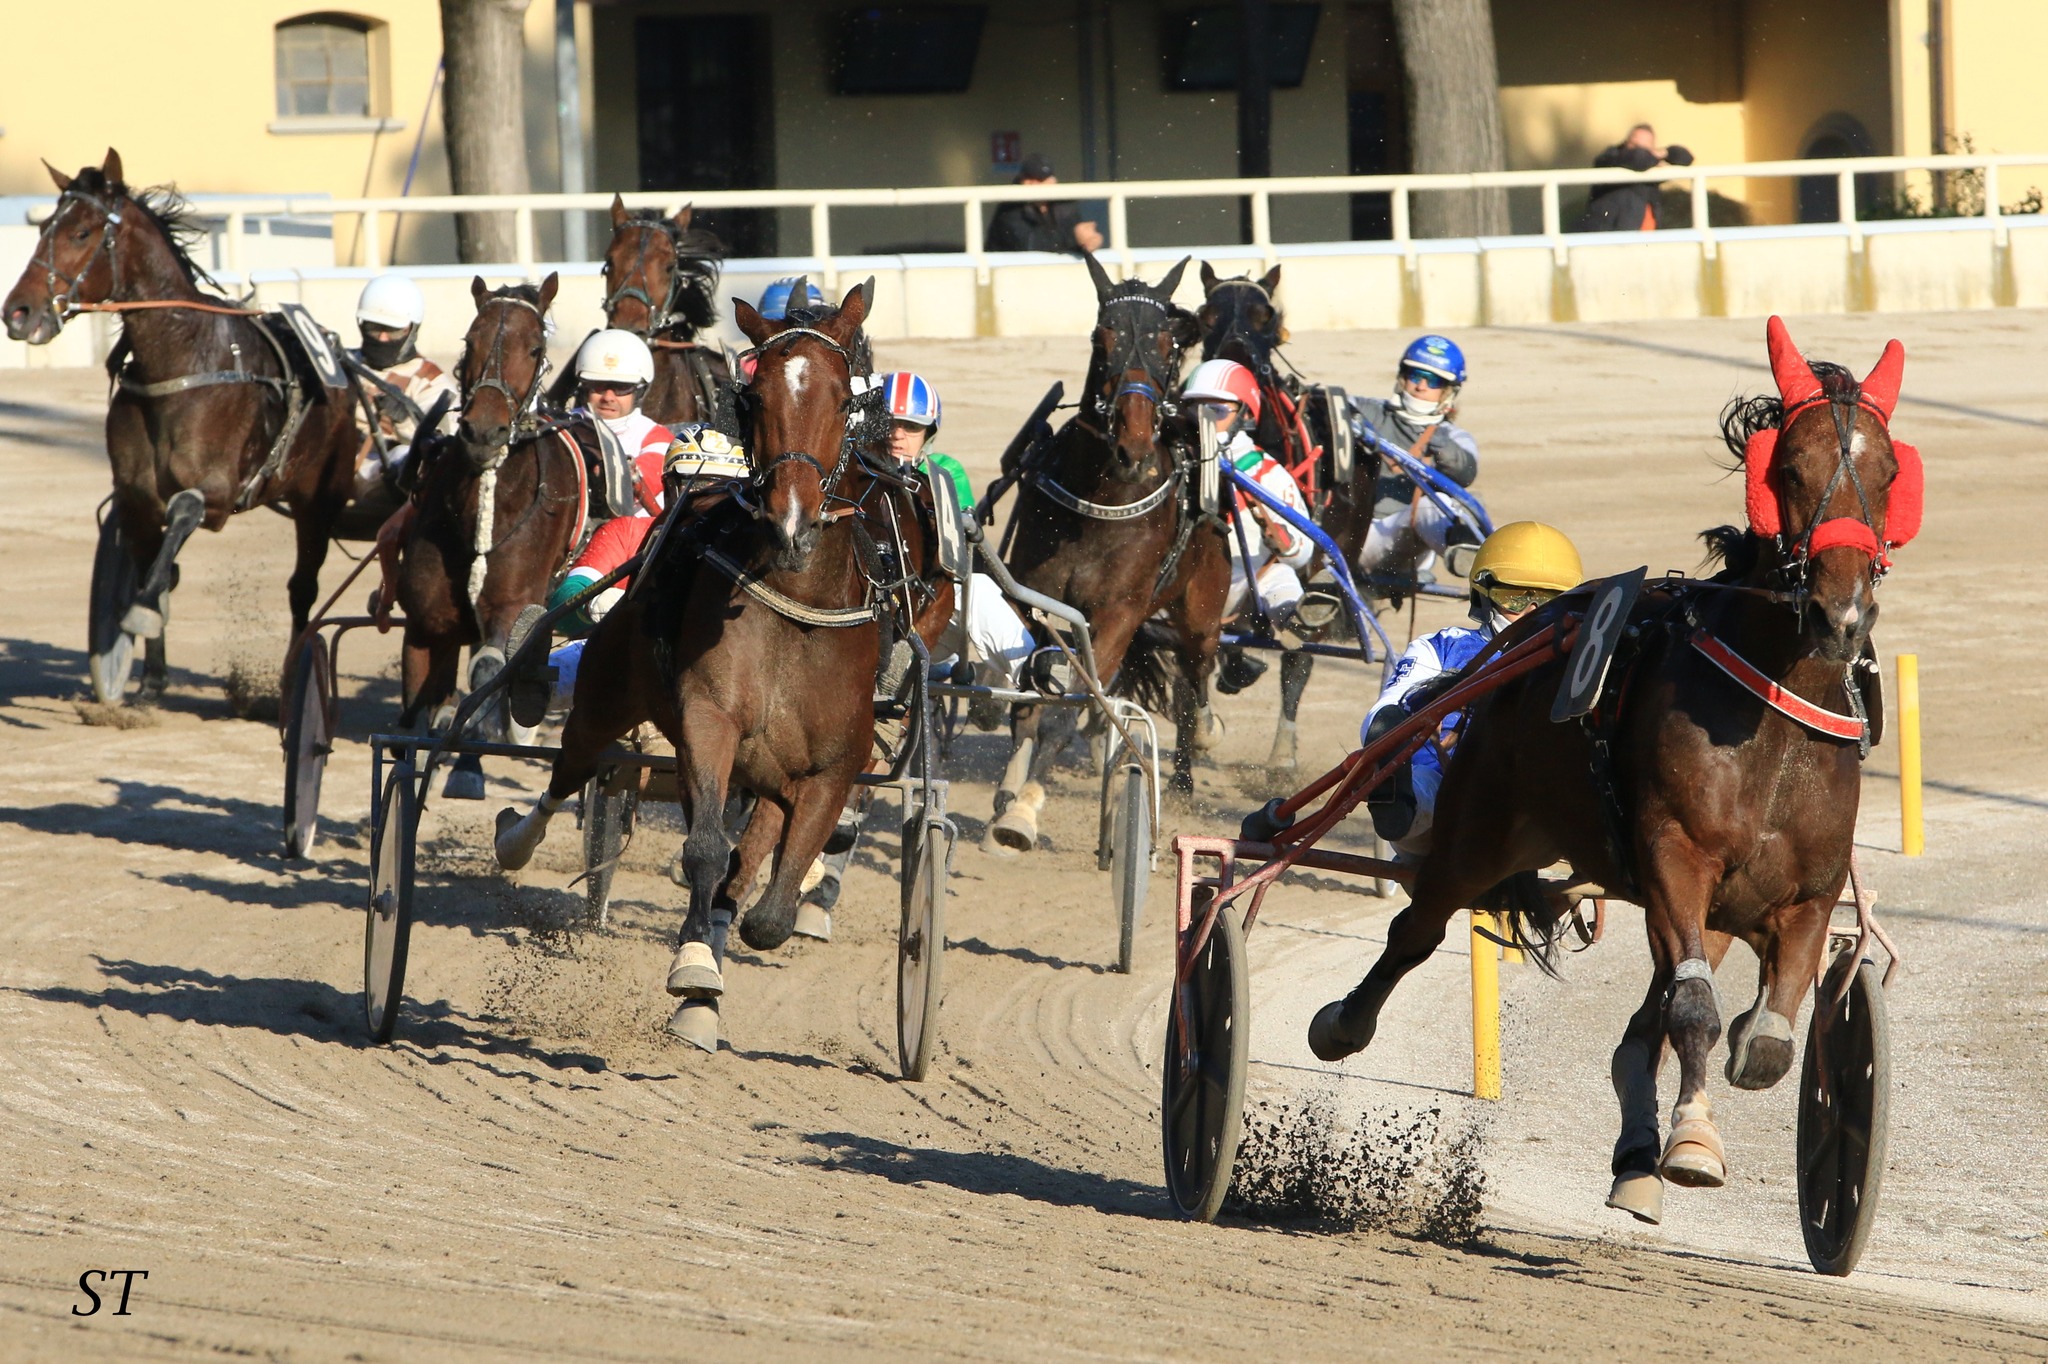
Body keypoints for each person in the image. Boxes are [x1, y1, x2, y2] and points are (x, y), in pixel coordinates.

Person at [1360, 522, 1584, 856]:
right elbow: (1388, 710)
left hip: (1545, 795)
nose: (1532, 611)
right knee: (1425, 781)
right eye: (1514, 596)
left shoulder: (1585, 657)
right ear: (1485, 594)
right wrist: (1389, 732)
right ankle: (1400, 805)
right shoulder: (1441, 647)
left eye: (1550, 600)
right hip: (1448, 796)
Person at [875, 370, 1069, 699]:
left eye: (911, 426)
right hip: (862, 616)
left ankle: (1032, 668)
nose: (897, 435)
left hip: (922, 615)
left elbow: (955, 557)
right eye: (888, 423)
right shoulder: (850, 471)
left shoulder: (945, 473)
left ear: (928, 432)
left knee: (975, 586)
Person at [1347, 335, 1483, 580]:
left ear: (1448, 391)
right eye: (1415, 376)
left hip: (1405, 541)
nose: (1421, 386)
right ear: (1402, 377)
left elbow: (1465, 471)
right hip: (1350, 536)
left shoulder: (1454, 437)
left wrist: (1433, 439)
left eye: (1433, 381)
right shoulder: (1369, 410)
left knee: (1437, 504)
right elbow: (1329, 406)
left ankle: (1472, 558)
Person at [348, 274, 459, 503]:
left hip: (386, 478)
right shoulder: (341, 363)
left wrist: (404, 418)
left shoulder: (430, 381)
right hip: (333, 461)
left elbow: (443, 441)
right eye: (373, 328)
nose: (383, 337)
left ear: (411, 330)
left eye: (393, 330)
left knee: (407, 457)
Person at [570, 329, 673, 516]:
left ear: (639, 391)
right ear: (584, 386)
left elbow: (630, 489)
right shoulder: (561, 427)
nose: (608, 397)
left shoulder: (657, 437)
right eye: (598, 385)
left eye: (622, 387)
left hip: (629, 538)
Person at [1576, 124, 1695, 232]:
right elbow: (1638, 159)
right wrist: (1654, 158)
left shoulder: (1652, 160)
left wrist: (1664, 153)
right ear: (1628, 141)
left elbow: (1685, 158)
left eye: (1646, 147)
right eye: (1635, 145)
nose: (1638, 149)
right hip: (1610, 237)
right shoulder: (1611, 157)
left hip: (1646, 237)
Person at [984, 154, 1105, 255]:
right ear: (1023, 180)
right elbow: (1028, 245)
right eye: (1031, 178)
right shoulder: (1010, 207)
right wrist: (1074, 236)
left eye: (1042, 179)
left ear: (1053, 180)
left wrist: (1088, 241)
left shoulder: (1064, 204)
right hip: (1010, 277)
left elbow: (1075, 238)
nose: (1035, 184)